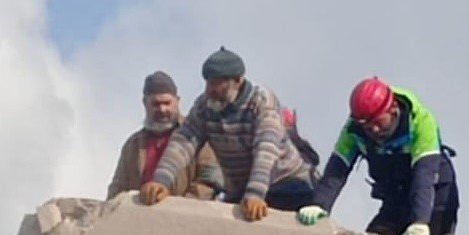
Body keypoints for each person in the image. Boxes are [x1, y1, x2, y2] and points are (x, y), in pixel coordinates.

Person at [140, 48, 316, 221]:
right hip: (240, 190)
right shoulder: (204, 106)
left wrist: (255, 193)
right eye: (208, 83)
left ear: (238, 81)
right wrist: (161, 180)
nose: (210, 90)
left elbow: (266, 149)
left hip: (286, 183)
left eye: (218, 84)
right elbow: (184, 141)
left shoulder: (262, 102)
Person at [296, 79, 458, 235]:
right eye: (366, 125)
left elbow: (424, 176)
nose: (373, 129)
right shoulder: (354, 130)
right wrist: (319, 204)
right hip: (395, 198)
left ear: (393, 108)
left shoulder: (421, 121)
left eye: (378, 121)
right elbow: (337, 171)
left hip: (434, 194)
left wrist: (420, 222)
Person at [106, 71, 223, 200]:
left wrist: (182, 206)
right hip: (142, 214)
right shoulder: (133, 145)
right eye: (156, 104)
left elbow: (210, 179)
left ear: (177, 102)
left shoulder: (197, 134)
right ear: (145, 103)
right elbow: (118, 187)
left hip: (189, 213)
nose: (162, 110)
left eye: (167, 103)